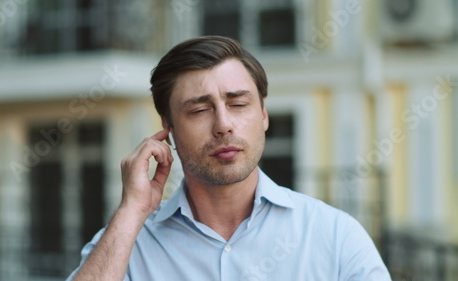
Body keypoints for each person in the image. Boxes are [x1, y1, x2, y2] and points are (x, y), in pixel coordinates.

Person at [67, 36, 391, 281]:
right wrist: (131, 211)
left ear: (263, 115)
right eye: (199, 110)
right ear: (168, 129)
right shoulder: (126, 246)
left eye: (237, 104)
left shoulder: (334, 236)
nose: (223, 125)